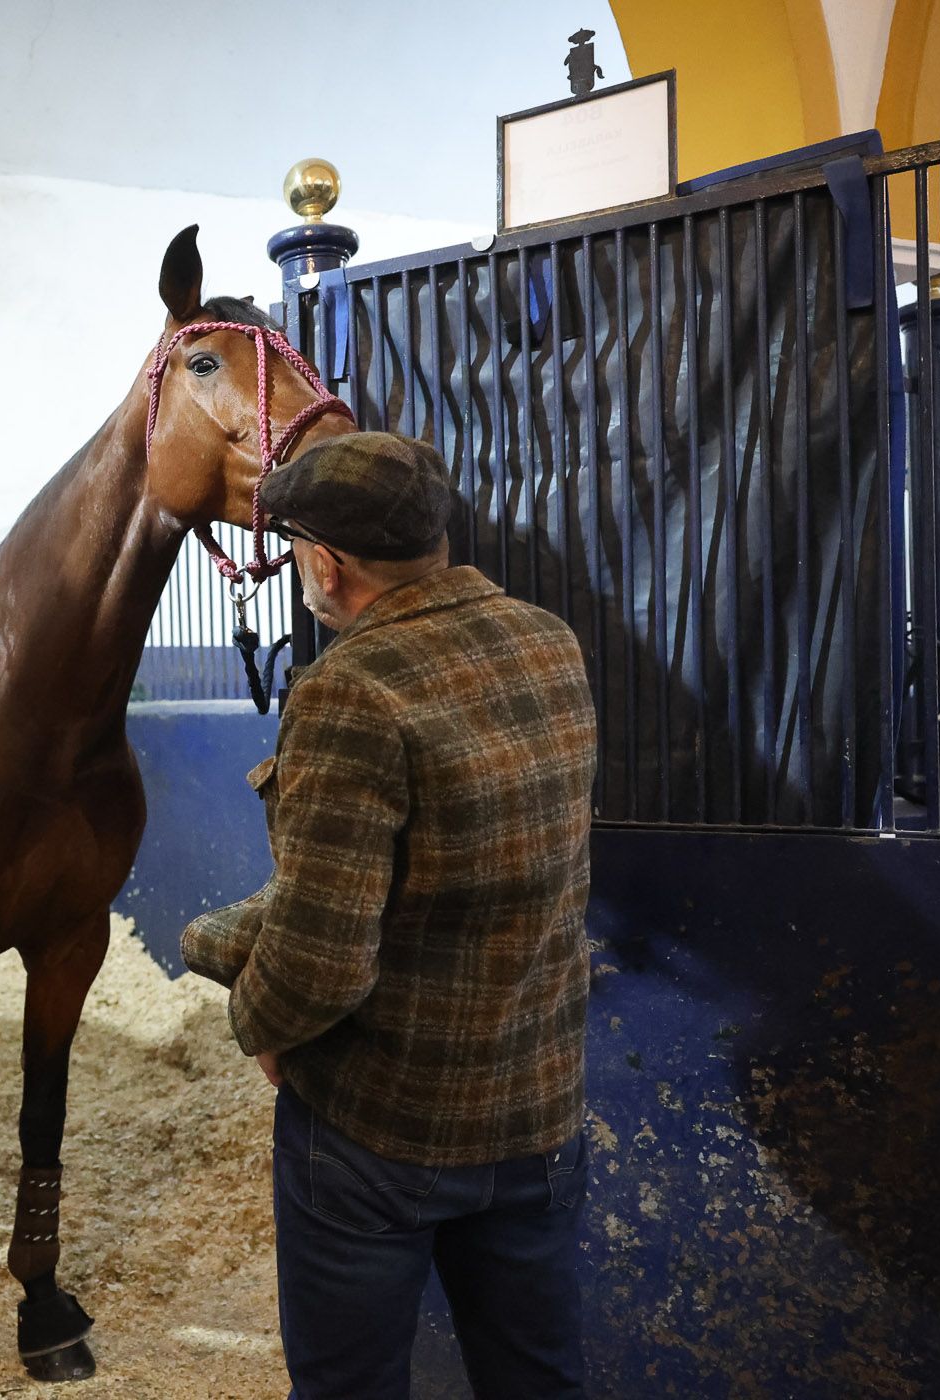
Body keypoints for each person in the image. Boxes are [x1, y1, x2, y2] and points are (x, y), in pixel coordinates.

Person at [180, 433, 598, 1400]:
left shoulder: (349, 688)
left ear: (325, 563)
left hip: (385, 1129)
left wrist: (260, 1021)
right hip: (536, 1110)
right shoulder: (548, 639)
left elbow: (324, 965)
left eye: (296, 554)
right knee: (539, 1380)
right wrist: (241, 939)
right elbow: (439, 876)